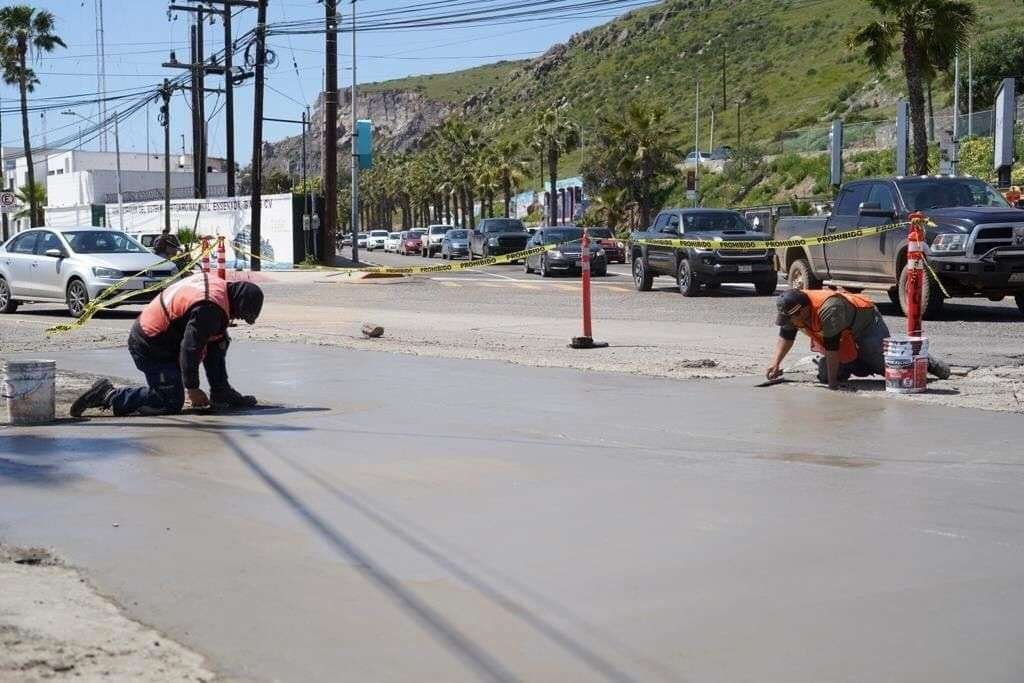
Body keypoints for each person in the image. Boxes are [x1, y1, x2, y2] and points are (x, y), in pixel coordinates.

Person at [71, 272, 264, 417]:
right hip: (150, 344)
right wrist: (193, 388)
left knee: (218, 339)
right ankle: (109, 395)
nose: (235, 318)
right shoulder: (209, 307)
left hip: (166, 338)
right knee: (170, 401)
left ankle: (221, 392)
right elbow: (190, 348)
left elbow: (205, 343)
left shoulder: (219, 291)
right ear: (239, 303)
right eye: (240, 314)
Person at [766, 289, 949, 389]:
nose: (789, 322)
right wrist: (775, 363)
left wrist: (833, 384)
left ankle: (926, 361)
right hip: (841, 335)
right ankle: (859, 362)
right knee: (825, 375)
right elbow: (786, 336)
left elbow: (832, 348)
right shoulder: (792, 311)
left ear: (803, 310)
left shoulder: (829, 308)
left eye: (792, 318)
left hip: (865, 324)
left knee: (891, 371)